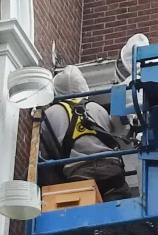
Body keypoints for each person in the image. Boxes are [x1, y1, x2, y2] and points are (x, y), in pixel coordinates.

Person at [39, 66, 134, 199]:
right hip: (111, 172)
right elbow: (119, 137)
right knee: (125, 212)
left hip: (78, 176)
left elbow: (45, 154)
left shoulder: (50, 114)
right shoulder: (97, 108)